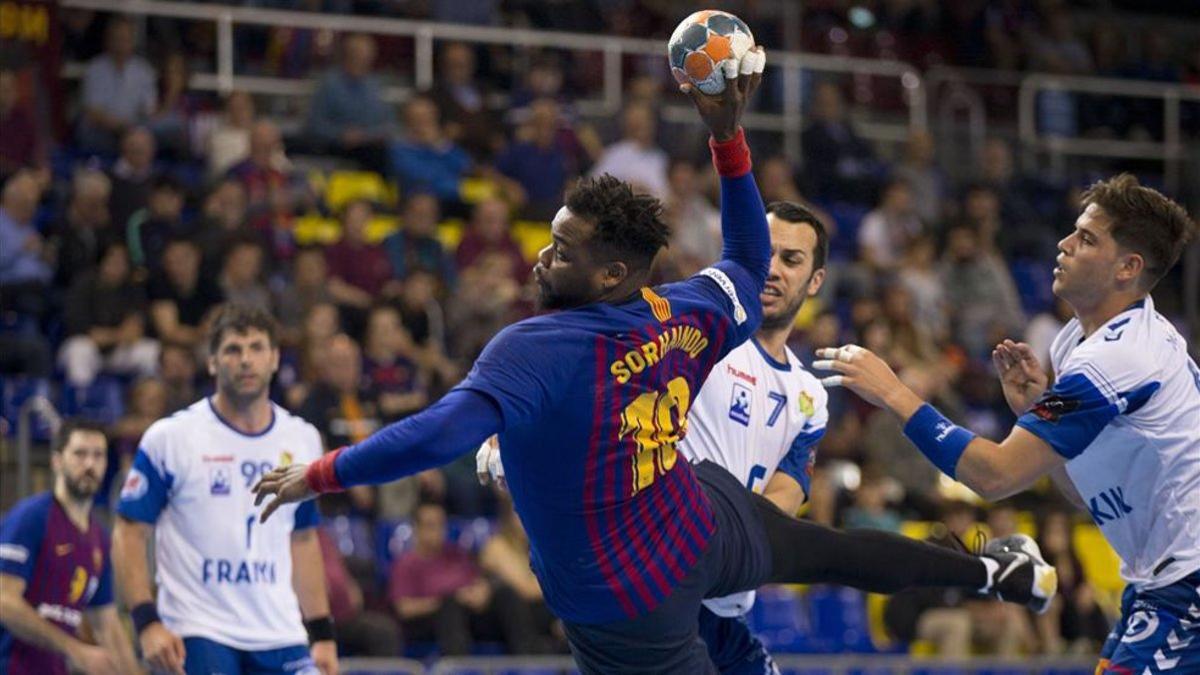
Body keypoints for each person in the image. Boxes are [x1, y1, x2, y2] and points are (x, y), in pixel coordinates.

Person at [253, 49, 1051, 674]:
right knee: (829, 551)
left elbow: (435, 435)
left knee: (822, 554)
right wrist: (727, 135)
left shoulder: (534, 347)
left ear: (609, 274)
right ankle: (985, 572)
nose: (541, 256)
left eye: (561, 250)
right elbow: (745, 250)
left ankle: (982, 571)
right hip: (697, 516)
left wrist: (318, 474)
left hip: (628, 595)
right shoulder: (688, 309)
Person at [816, 173, 1199, 675]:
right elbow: (1086, 493)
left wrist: (892, 391)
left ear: (1128, 267)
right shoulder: (1074, 343)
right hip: (1159, 583)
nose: (1063, 244)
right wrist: (1034, 413)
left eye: (1086, 239)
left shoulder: (1120, 357)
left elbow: (994, 476)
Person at [112, 304, 338, 675]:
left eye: (256, 348)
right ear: (213, 362)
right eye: (233, 349)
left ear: (275, 358)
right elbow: (129, 531)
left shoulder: (303, 438)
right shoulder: (171, 438)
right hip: (200, 630)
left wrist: (322, 633)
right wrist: (147, 622)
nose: (245, 360)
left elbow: (303, 539)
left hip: (281, 632)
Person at [0, 420, 141, 675]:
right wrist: (74, 649)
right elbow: (4, 601)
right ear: (57, 461)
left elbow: (108, 625)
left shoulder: (100, 538)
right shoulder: (32, 517)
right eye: (79, 454)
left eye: (98, 455)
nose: (89, 464)